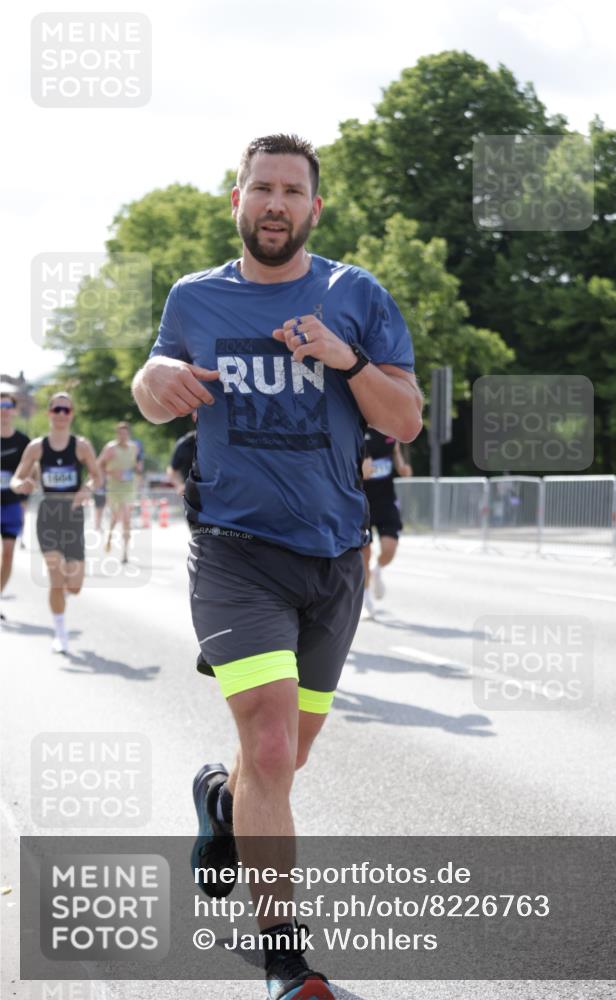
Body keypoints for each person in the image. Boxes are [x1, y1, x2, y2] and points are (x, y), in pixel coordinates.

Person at [132, 133, 422, 1000]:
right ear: (237, 200)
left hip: (334, 556)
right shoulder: (196, 297)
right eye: (260, 188)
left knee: (282, 761)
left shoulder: (354, 294)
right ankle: (284, 961)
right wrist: (153, 376)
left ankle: (220, 800)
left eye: (291, 191)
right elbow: (152, 390)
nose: (274, 204)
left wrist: (347, 360)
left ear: (312, 208)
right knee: (266, 740)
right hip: (233, 550)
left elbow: (403, 420)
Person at [10, 392, 99, 653]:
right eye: (56, 409)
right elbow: (16, 479)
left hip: (73, 516)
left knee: (75, 586)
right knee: (55, 578)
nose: (61, 414)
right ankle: (60, 633)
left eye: (66, 410)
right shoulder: (37, 447)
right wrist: (22, 484)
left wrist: (88, 489)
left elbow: (96, 476)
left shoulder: (81, 446)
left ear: (71, 415)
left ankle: (62, 599)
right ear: (49, 413)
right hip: (48, 515)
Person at [360, 428, 413, 617]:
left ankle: (378, 569)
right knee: (364, 553)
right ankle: (366, 601)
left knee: (390, 548)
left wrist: (402, 467)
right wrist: (360, 468)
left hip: (386, 501)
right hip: (362, 501)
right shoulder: (357, 427)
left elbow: (395, 452)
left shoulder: (389, 429)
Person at [0, 385, 31, 618]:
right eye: (1, 406)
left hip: (11, 504)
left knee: (8, 553)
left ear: (14, 410)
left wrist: (26, 494)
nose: (5, 410)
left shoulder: (23, 441)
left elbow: (31, 471)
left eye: (9, 406)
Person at [98, 422, 141, 563]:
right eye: (120, 433)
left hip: (129, 487)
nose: (123, 436)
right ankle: (109, 535)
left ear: (128, 434)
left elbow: (136, 466)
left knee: (127, 518)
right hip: (114, 488)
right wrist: (112, 472)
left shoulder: (134, 448)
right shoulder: (110, 448)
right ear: (117, 434)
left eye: (125, 433)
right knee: (116, 517)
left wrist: (138, 470)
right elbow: (99, 465)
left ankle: (125, 553)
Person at [167, 416, 197, 496]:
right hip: (193, 495)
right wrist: (180, 485)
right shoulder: (184, 443)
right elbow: (171, 470)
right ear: (194, 417)